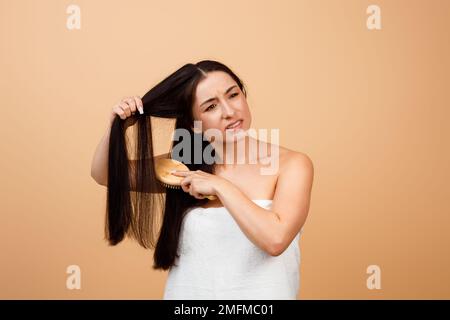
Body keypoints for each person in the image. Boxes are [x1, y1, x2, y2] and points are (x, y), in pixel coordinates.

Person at [90, 60, 314, 299]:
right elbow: (104, 174)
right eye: (210, 107)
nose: (230, 112)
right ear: (193, 125)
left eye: (233, 95)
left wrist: (221, 186)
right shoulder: (182, 167)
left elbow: (275, 240)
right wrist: (116, 126)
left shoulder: (292, 164)